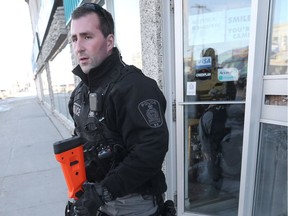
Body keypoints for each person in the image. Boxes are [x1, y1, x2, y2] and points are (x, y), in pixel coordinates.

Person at [67, 3, 170, 216]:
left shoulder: (135, 87)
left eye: (87, 36)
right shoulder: (80, 93)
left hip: (132, 205)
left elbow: (150, 151)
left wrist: (102, 193)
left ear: (109, 42)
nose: (78, 47)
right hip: (97, 200)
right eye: (75, 38)